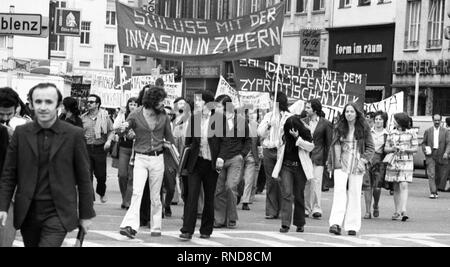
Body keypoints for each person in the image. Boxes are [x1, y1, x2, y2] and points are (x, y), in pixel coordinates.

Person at [0, 83, 95, 247]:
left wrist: (86, 214)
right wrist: (3, 207)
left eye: (49, 102)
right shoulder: (21, 134)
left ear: (58, 105)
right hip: (28, 212)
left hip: (59, 213)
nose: (43, 107)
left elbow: (84, 177)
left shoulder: (74, 135)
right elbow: (9, 174)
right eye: (38, 102)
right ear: (30, 104)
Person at [119, 86, 175, 238]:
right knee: (137, 192)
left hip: (158, 158)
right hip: (141, 158)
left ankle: (156, 227)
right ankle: (130, 226)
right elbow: (126, 126)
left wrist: (169, 147)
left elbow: (170, 138)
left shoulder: (164, 116)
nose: (163, 104)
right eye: (161, 101)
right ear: (152, 101)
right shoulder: (136, 113)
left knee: (155, 196)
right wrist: (125, 128)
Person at [179, 90, 221, 240]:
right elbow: (188, 142)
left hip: (212, 164)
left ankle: (206, 230)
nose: (197, 103)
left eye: (200, 101)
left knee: (209, 197)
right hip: (195, 163)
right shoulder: (194, 119)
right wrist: (185, 162)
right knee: (192, 196)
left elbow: (225, 142)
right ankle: (187, 230)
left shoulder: (219, 119)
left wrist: (221, 157)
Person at [328, 103, 374, 236]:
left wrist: (363, 161)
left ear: (356, 114)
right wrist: (330, 163)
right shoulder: (338, 127)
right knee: (339, 192)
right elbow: (333, 146)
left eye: (351, 111)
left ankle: (352, 226)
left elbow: (371, 148)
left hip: (357, 165)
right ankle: (335, 224)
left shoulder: (364, 128)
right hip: (340, 164)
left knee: (354, 194)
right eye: (347, 111)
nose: (349, 114)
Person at [213, 95, 251, 229]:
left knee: (230, 187)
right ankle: (219, 219)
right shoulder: (216, 121)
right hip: (219, 160)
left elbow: (248, 140)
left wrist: (242, 155)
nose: (216, 108)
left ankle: (232, 218)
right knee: (218, 190)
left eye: (219, 105)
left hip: (235, 158)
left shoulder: (240, 120)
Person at [272, 115, 314, 233]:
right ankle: (285, 223)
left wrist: (298, 138)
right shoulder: (284, 135)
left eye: (294, 128)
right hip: (286, 166)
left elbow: (311, 147)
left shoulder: (306, 132)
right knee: (287, 194)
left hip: (300, 168)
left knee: (299, 195)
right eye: (289, 128)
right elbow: (278, 147)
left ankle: (300, 223)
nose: (292, 131)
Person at [257, 91, 293, 220]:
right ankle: (272, 210)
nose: (270, 102)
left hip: (282, 151)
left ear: (278, 101)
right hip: (269, 150)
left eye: (272, 99)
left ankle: (285, 209)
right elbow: (260, 132)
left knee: (283, 180)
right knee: (271, 181)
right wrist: (268, 124)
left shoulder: (289, 116)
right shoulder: (268, 115)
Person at [384, 113, 418, 221]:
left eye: (395, 120)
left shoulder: (412, 133)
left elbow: (415, 148)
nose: (394, 122)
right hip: (394, 161)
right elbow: (386, 148)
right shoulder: (391, 133)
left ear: (401, 121)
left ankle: (403, 209)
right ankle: (397, 210)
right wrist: (393, 148)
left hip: (406, 160)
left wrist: (405, 149)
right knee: (396, 186)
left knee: (404, 184)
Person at [81, 94, 114, 203]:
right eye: (88, 102)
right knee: (87, 174)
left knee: (101, 175)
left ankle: (101, 192)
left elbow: (111, 131)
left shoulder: (105, 117)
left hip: (100, 148)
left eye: (91, 102)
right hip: (86, 149)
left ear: (97, 104)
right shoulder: (83, 118)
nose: (88, 104)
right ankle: (90, 196)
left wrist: (109, 141)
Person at [303, 99, 332, 220]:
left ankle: (317, 208)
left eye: (308, 107)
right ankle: (305, 208)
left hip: (319, 156)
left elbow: (329, 142)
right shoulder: (302, 121)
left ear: (315, 109)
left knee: (316, 181)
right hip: (305, 156)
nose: (306, 109)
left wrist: (328, 159)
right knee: (306, 182)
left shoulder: (325, 123)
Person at [0, 87, 20, 247]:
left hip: (7, 194)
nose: (5, 117)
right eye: (1, 114)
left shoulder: (13, 132)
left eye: (9, 113)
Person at [113, 97, 138, 210]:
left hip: (136, 149)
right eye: (131, 104)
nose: (132, 106)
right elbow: (115, 128)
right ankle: (124, 197)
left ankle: (128, 201)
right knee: (122, 175)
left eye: (135, 104)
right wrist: (120, 114)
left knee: (132, 176)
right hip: (124, 148)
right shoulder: (123, 115)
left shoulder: (140, 115)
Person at [363, 111, 389, 219]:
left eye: (380, 119)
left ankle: (376, 204)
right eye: (376, 119)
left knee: (377, 187)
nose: (378, 121)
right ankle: (367, 210)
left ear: (384, 121)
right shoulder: (368, 132)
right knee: (367, 186)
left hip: (380, 161)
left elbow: (387, 149)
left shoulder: (387, 135)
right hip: (368, 160)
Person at [422, 114, 450, 198]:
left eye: (438, 120)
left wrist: (446, 153)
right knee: (431, 174)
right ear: (432, 120)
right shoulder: (428, 131)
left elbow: (449, 143)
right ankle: (433, 192)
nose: (437, 122)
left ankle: (436, 189)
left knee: (439, 175)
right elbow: (423, 143)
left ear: (441, 121)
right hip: (431, 155)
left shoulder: (445, 131)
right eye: (435, 120)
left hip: (441, 154)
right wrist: (425, 150)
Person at [241, 109, 261, 211]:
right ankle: (237, 197)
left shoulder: (254, 125)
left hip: (251, 156)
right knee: (239, 179)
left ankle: (245, 201)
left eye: (247, 113)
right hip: (239, 155)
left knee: (249, 180)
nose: (246, 116)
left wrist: (257, 157)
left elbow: (257, 141)